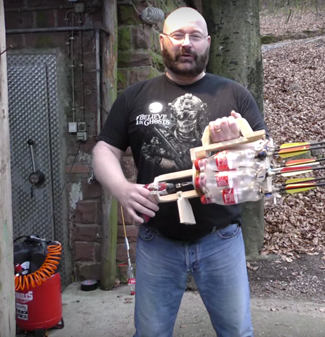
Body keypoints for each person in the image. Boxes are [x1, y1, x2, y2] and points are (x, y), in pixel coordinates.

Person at [92, 6, 267, 337]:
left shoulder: (235, 96)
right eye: (178, 35)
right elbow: (103, 150)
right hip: (157, 242)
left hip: (221, 240)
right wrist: (122, 188)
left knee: (237, 332)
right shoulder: (133, 98)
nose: (186, 43)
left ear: (208, 43)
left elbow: (260, 166)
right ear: (162, 41)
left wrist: (230, 148)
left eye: (195, 36)